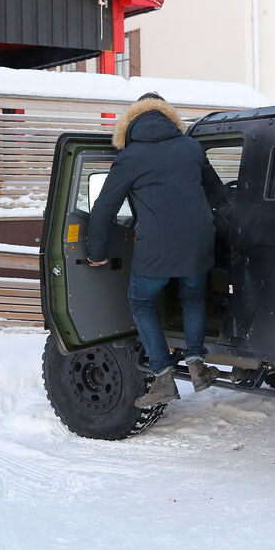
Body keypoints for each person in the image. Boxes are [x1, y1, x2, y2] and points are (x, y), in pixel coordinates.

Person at [86, 92, 226, 408]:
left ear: (132, 122)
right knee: (192, 296)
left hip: (157, 250)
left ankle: (163, 377)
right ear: (168, 117)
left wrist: (97, 252)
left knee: (141, 301)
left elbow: (104, 207)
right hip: (198, 243)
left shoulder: (130, 157)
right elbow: (218, 195)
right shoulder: (192, 148)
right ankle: (196, 364)